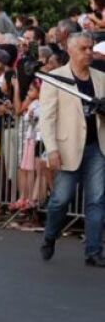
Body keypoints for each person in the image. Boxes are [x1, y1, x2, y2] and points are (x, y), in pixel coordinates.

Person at [39, 32, 105, 266]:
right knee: (60, 199)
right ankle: (50, 235)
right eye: (84, 49)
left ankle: (93, 251)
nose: (89, 53)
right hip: (68, 148)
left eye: (90, 48)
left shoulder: (100, 77)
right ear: (70, 50)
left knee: (96, 200)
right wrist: (52, 149)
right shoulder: (55, 78)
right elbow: (46, 118)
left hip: (97, 146)